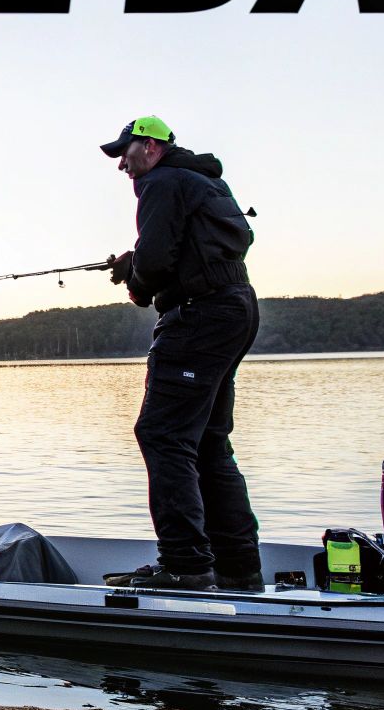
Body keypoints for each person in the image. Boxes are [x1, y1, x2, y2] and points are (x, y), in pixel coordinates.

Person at [99, 117, 263, 592]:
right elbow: (186, 248)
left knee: (163, 435)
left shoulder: (161, 182)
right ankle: (238, 568)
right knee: (209, 442)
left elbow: (153, 264)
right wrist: (139, 261)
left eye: (124, 154)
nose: (123, 166)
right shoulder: (204, 181)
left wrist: (135, 278)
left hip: (198, 316)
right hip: (234, 309)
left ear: (149, 147)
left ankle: (185, 566)